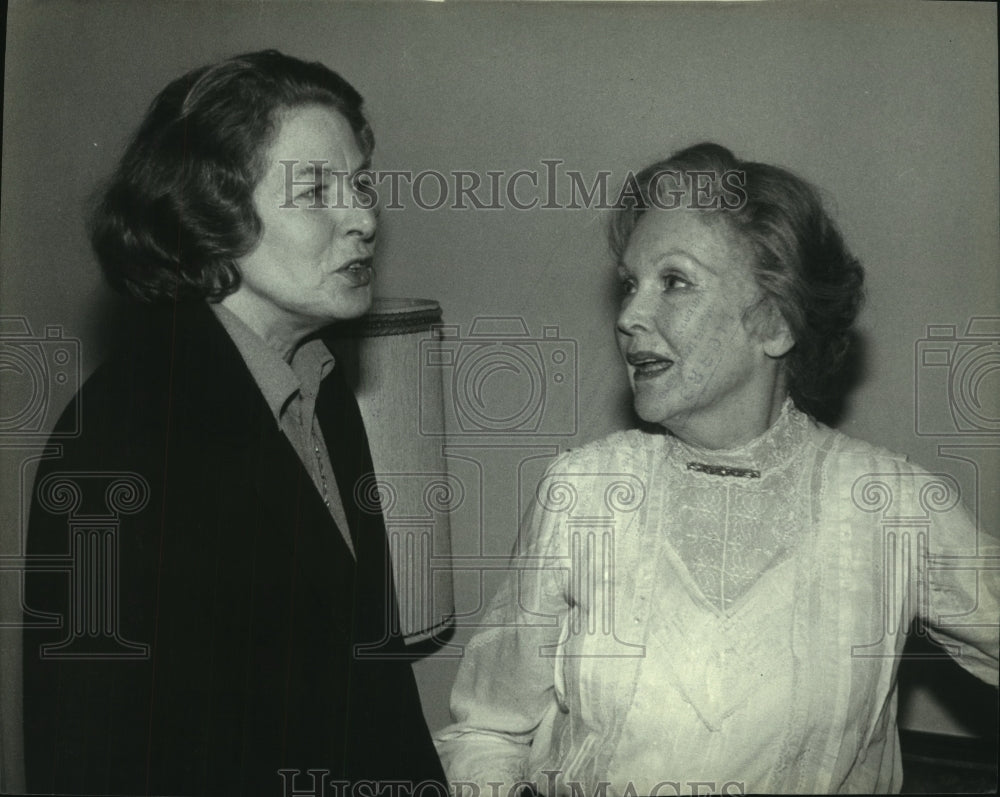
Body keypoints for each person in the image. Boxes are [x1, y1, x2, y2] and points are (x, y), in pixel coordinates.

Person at [434, 143, 999, 795]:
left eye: (673, 281)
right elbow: (488, 730)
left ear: (775, 321)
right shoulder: (583, 493)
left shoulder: (889, 507)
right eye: (629, 284)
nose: (627, 317)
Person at [22, 50, 445, 796]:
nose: (365, 218)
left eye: (362, 184)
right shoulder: (116, 443)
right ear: (211, 212)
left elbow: (371, 683)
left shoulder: (323, 386)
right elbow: (90, 757)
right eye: (317, 189)